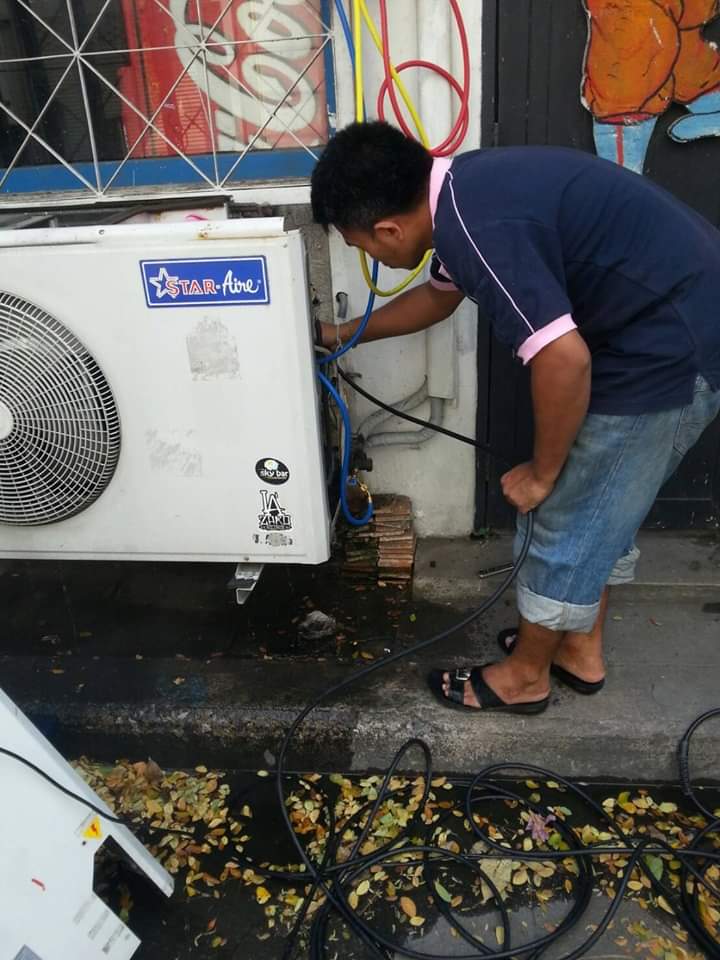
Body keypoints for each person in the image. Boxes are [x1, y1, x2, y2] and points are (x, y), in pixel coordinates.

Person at [310, 120, 720, 716]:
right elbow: (438, 297)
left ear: (389, 229)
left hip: (672, 346)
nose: (366, 255)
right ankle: (578, 650)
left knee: (563, 512)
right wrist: (339, 334)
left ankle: (525, 677)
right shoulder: (464, 192)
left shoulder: (477, 227)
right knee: (604, 506)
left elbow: (563, 357)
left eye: (360, 245)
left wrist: (544, 473)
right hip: (665, 321)